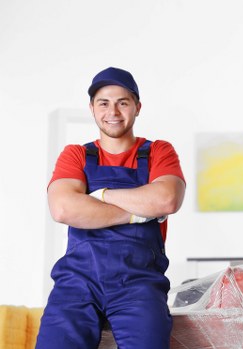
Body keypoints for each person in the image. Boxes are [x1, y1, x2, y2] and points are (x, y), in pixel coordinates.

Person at [36, 67, 186, 349]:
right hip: (76, 283)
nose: (113, 111)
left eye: (123, 102)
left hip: (139, 284)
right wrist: (139, 212)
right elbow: (63, 208)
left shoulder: (158, 152)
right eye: (104, 103)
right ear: (92, 108)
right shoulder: (76, 154)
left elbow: (165, 200)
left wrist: (100, 195)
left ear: (137, 107)